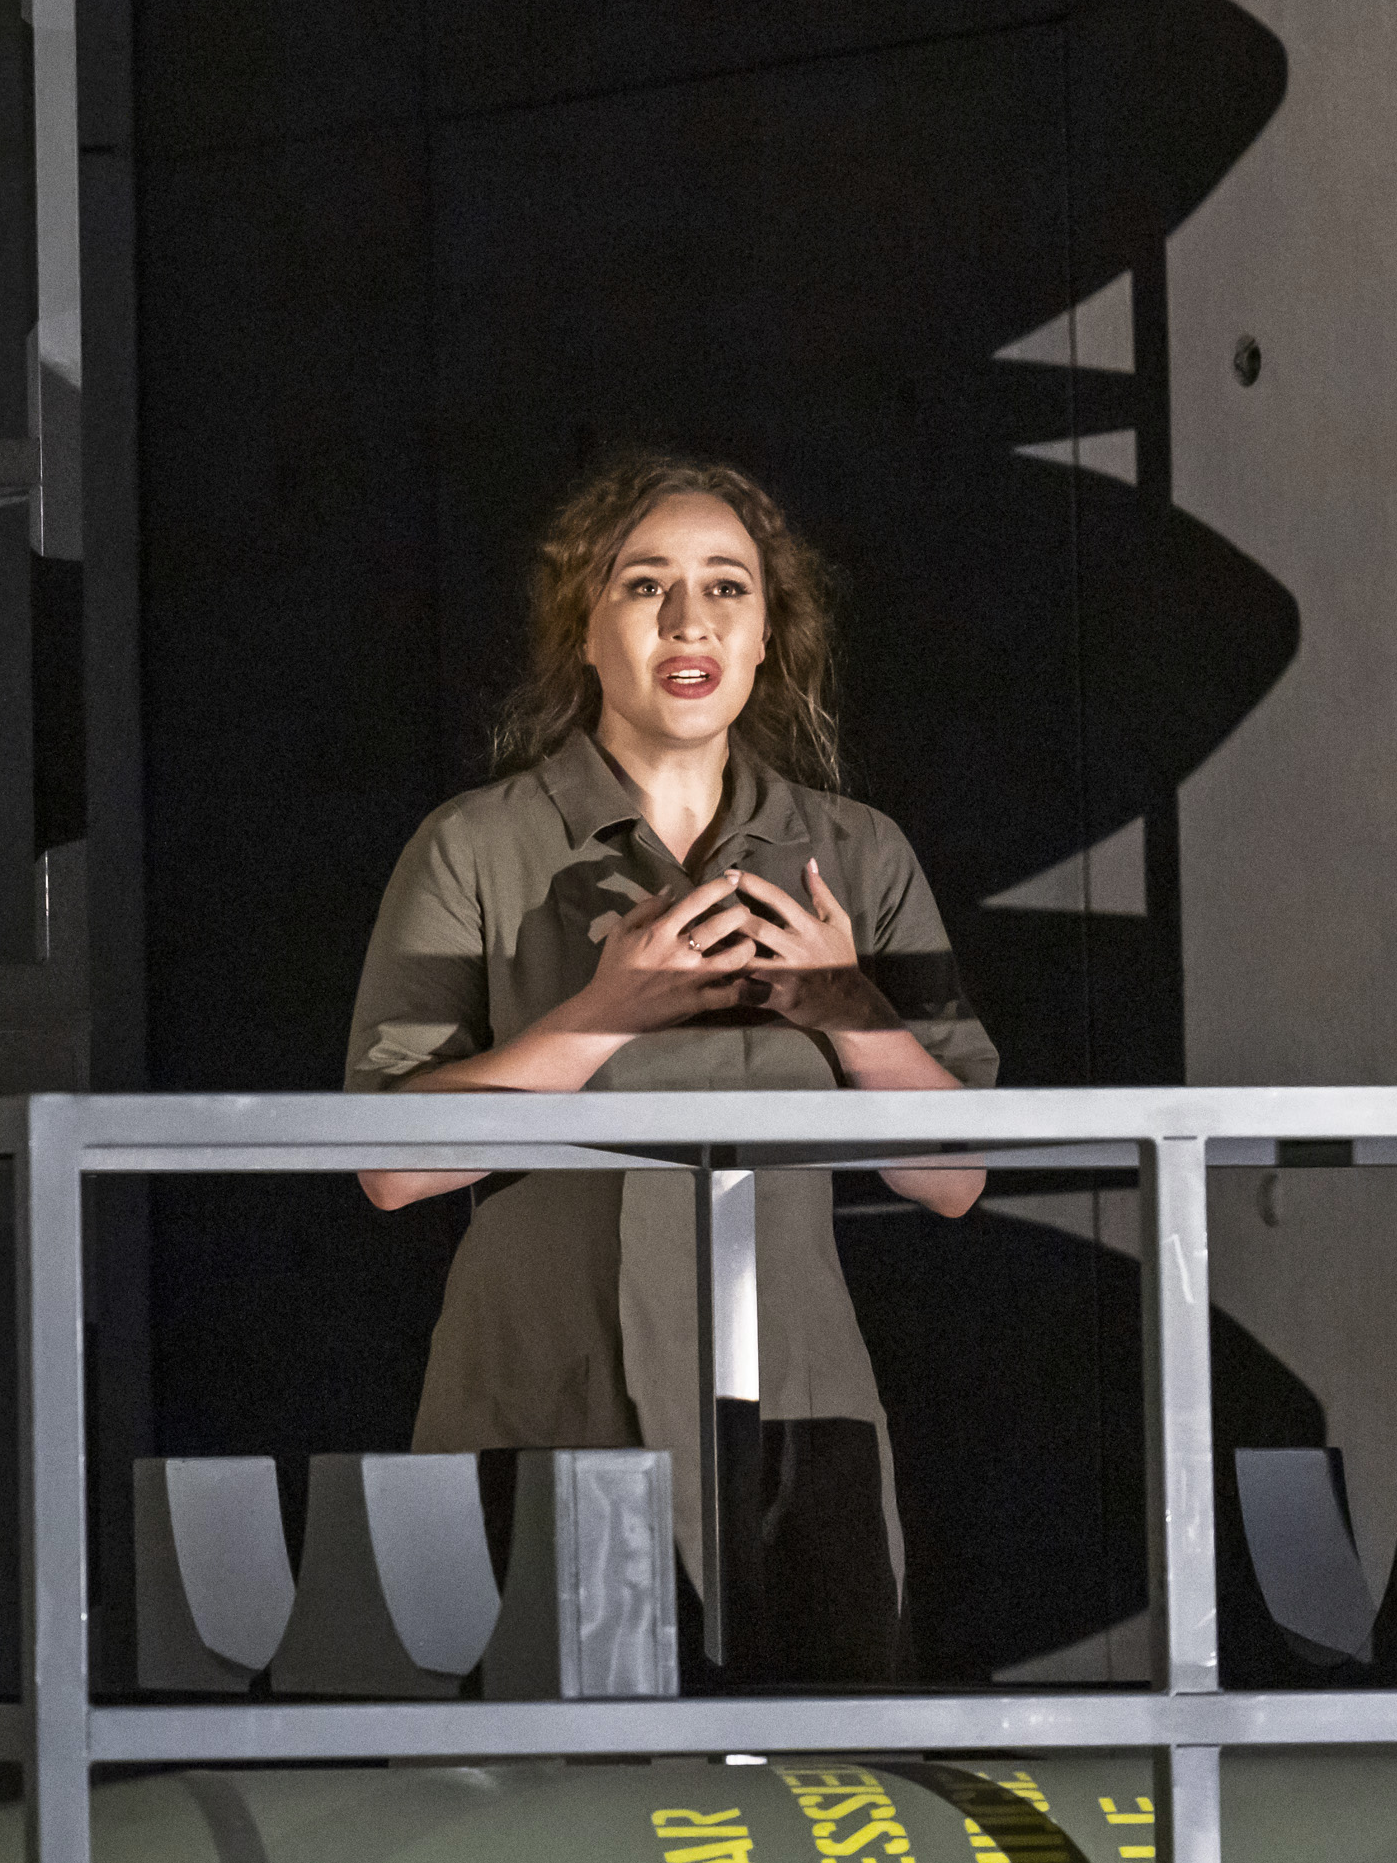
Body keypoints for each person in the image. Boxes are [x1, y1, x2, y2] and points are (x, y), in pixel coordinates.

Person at [339, 453, 997, 1673]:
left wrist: (847, 1007)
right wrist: (603, 1011)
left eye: (726, 589)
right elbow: (387, 1167)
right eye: (643, 587)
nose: (688, 621)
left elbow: (953, 1176)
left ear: (764, 639)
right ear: (582, 635)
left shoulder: (855, 853)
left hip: (800, 1412)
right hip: (540, 1392)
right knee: (553, 1821)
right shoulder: (474, 848)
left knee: (819, 1809)